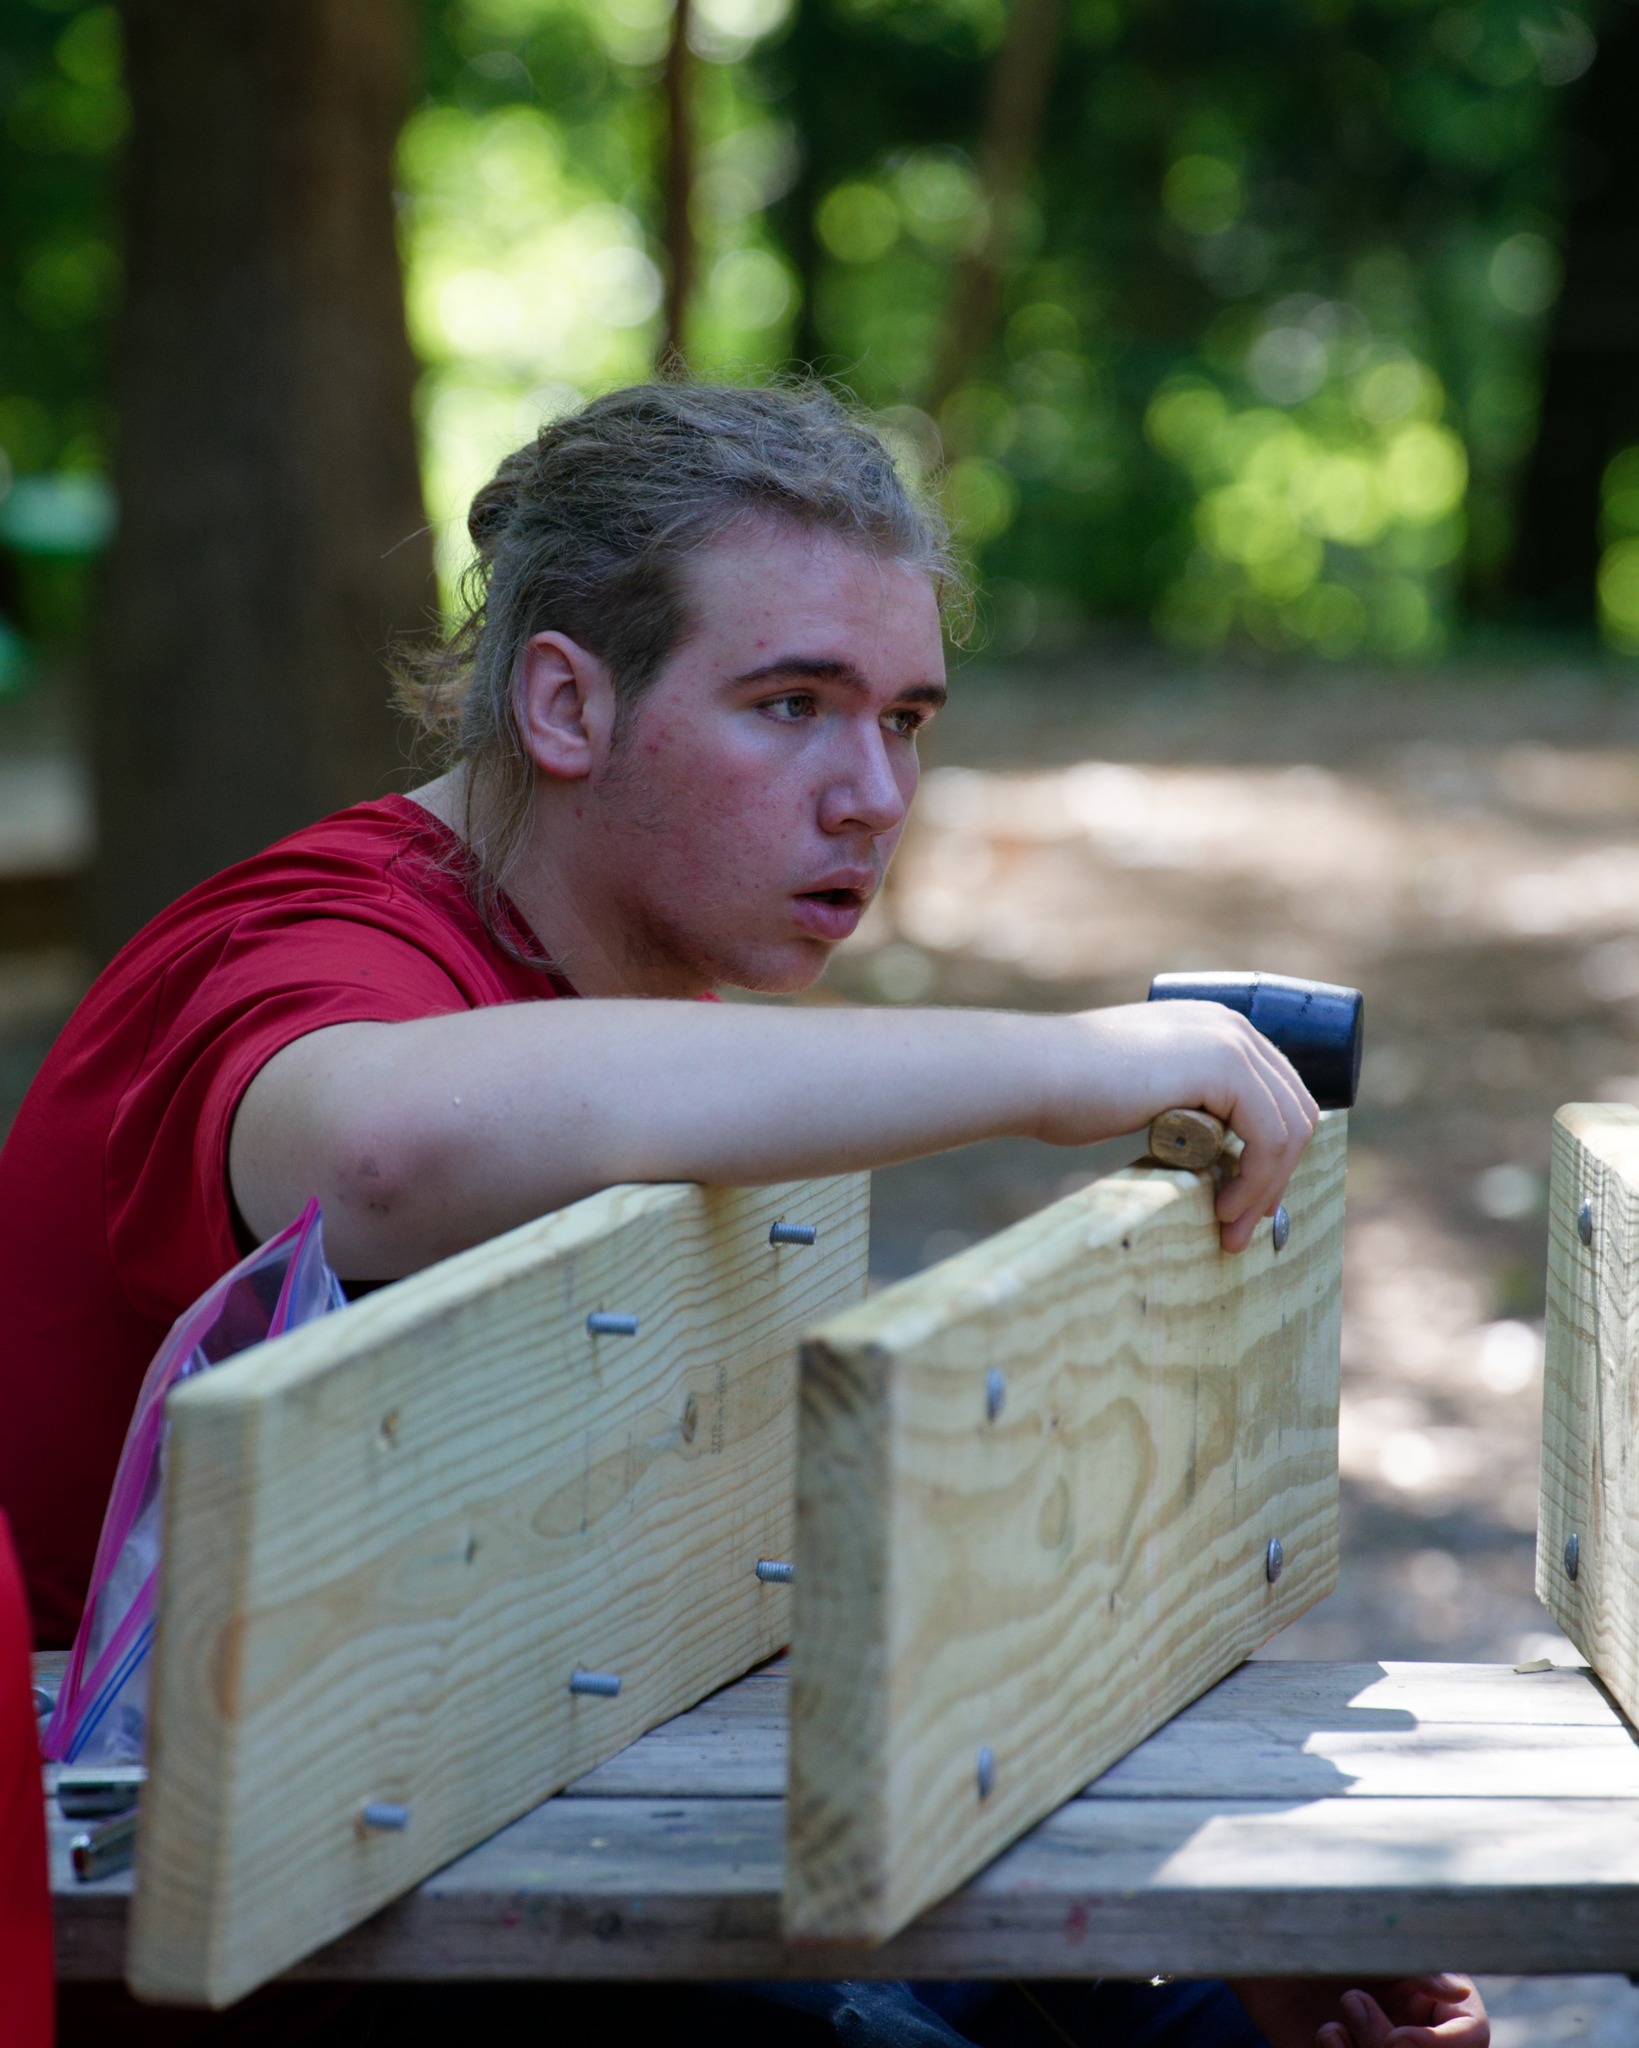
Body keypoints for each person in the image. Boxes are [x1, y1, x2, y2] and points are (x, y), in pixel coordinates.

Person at [0, 381, 1484, 2048]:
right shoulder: (302, 956)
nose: (874, 795)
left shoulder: (648, 1011)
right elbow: (379, 1157)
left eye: (907, 720)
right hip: (186, 1923)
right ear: (565, 705)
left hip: (494, 1817)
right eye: (792, 705)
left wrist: (1213, 1948)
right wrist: (1058, 1065)